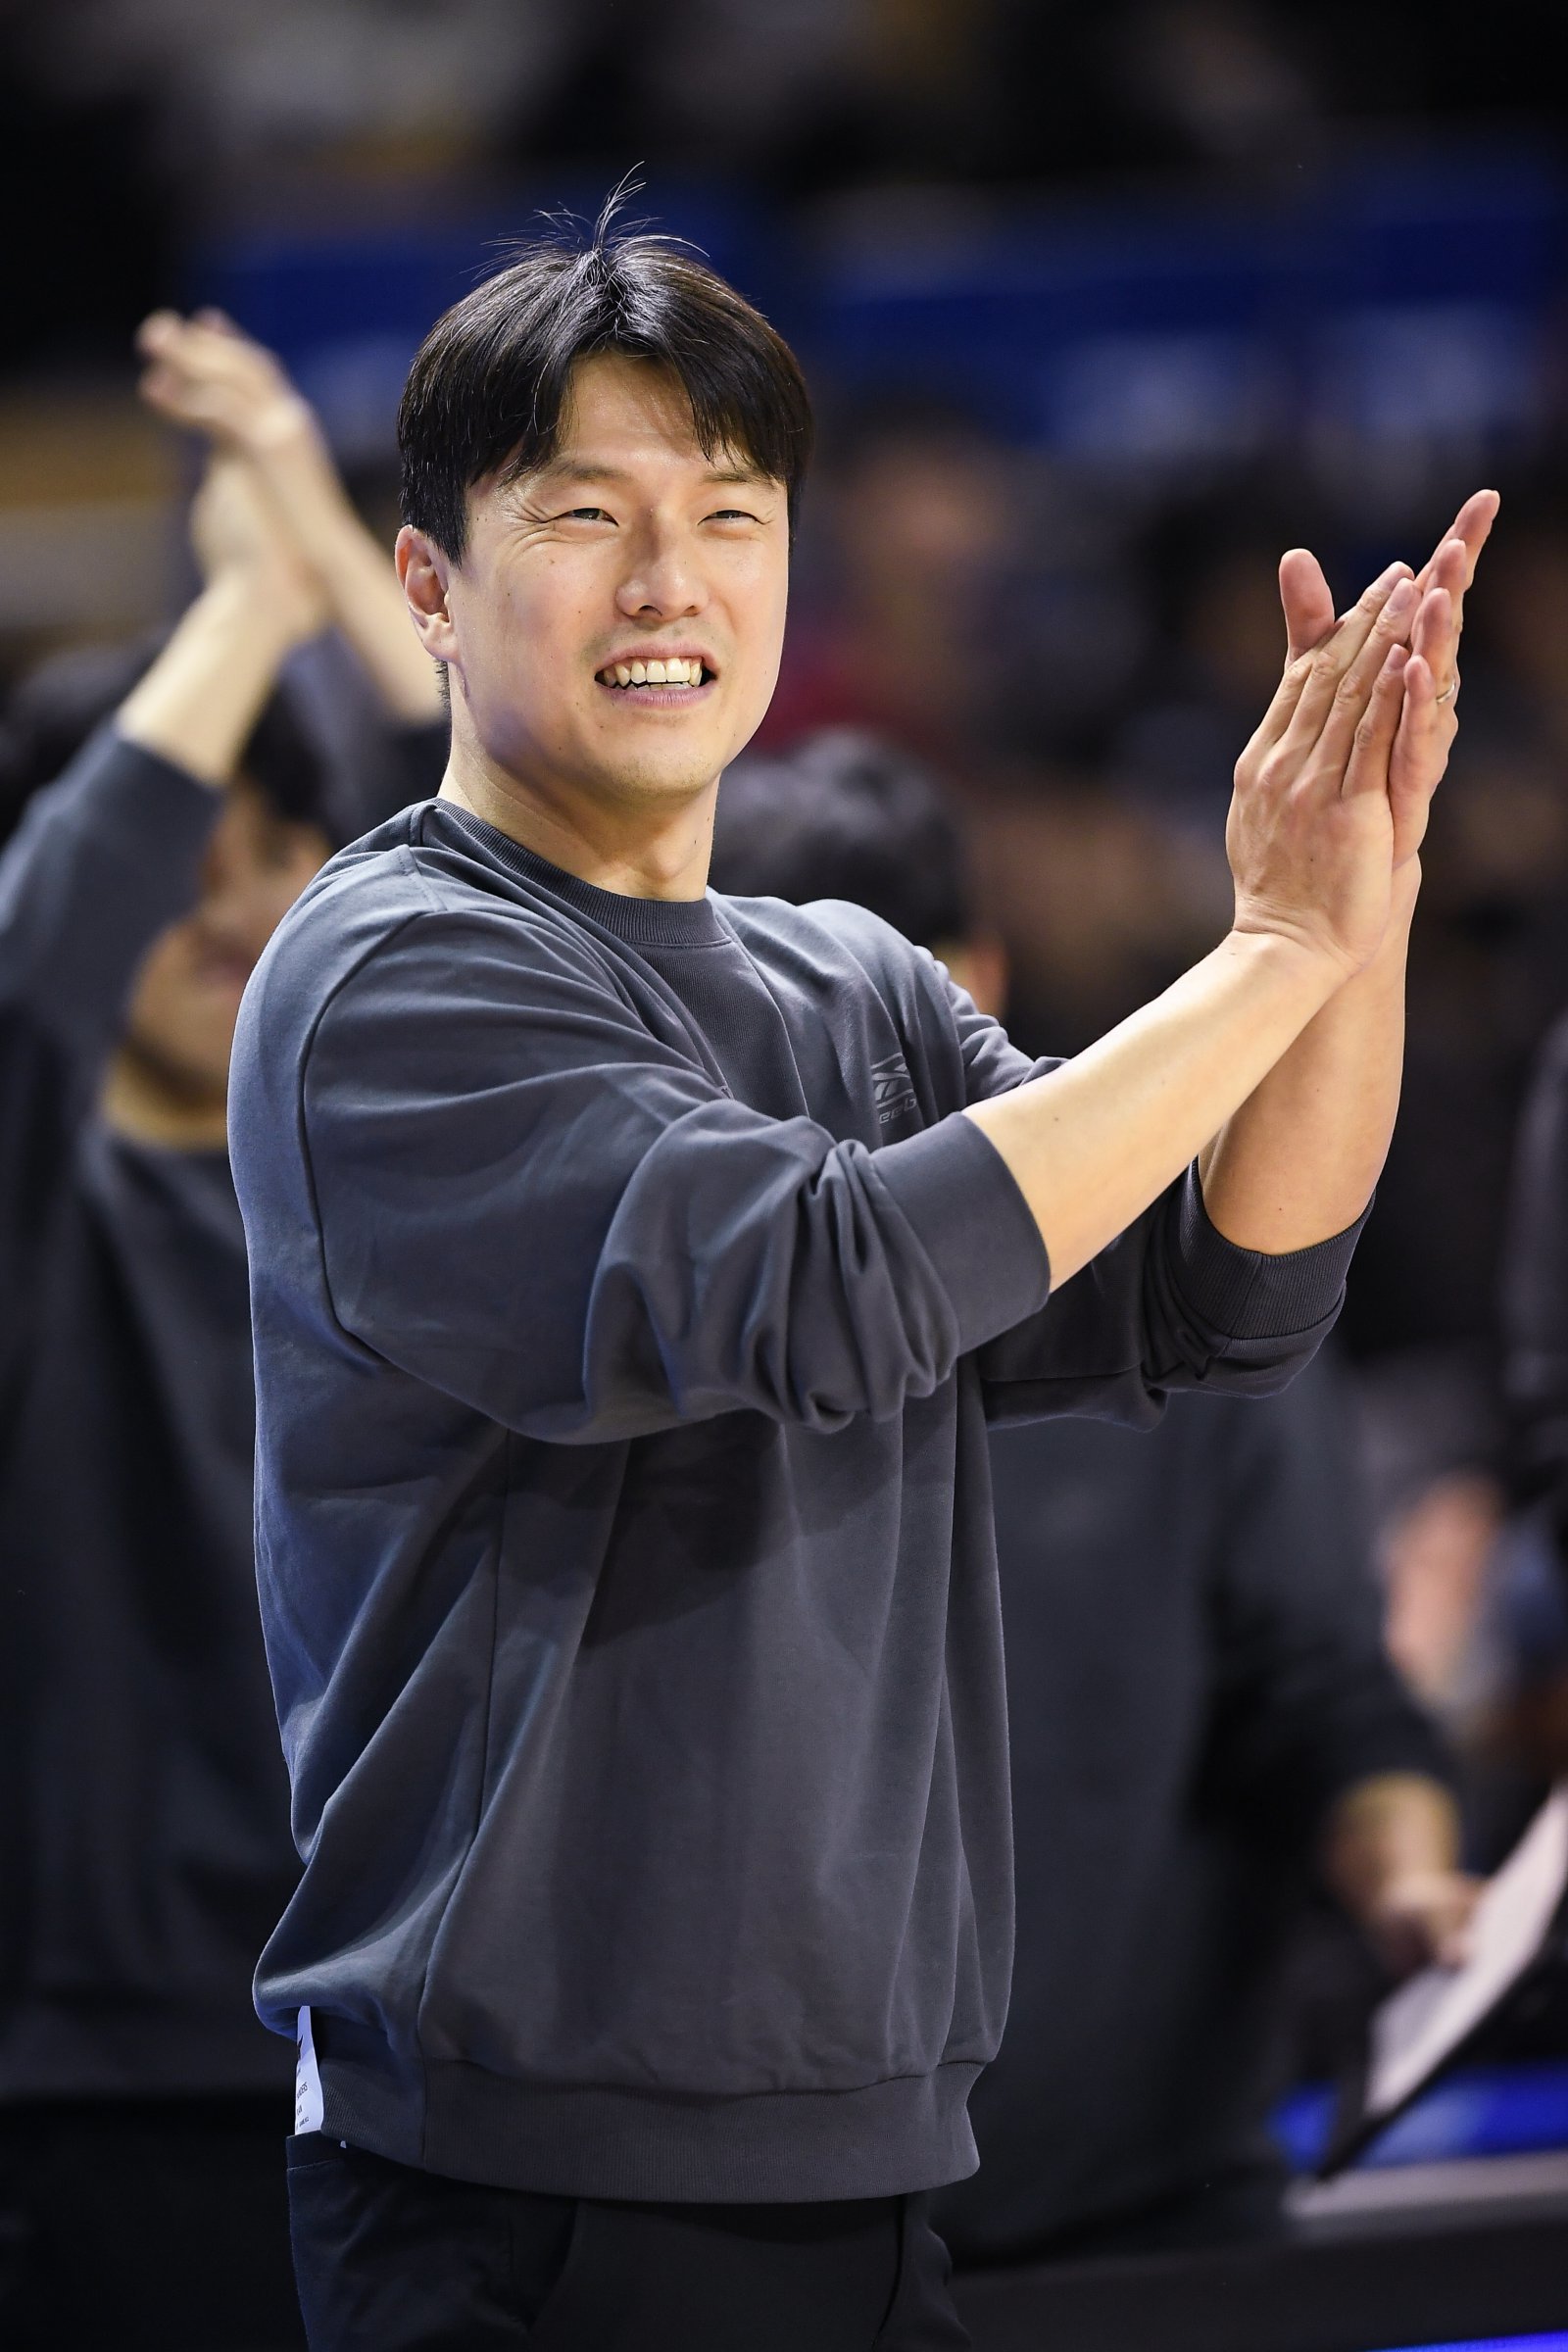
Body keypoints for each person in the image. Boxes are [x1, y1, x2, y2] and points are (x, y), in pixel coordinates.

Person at [229, 203, 1493, 2351]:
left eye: (729, 515)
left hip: (879, 2154)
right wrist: (1266, 951)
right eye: (586, 517)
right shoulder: (394, 968)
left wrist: (1350, 914)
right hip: (523, 2188)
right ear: (428, 586)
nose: (668, 580)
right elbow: (829, 1281)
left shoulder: (850, 977)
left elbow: (1216, 1290)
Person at [713, 729, 1473, 2262]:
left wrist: (1412, 1882)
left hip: (1146, 2201)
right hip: (772, 2225)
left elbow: (1323, 1694)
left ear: (974, 980)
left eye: (888, 993)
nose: (838, 1060)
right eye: (776, 1011)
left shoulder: (1173, 1275)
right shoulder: (677, 1307)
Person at [0, 319, 444, 2351]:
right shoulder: (44, 1210)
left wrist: (323, 541)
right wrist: (249, 608)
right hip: (118, 2086)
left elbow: (509, 866)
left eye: (278, 855)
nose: (236, 907)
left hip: (417, 2054)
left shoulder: (396, 1190)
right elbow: (36, 979)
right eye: (183, 857)